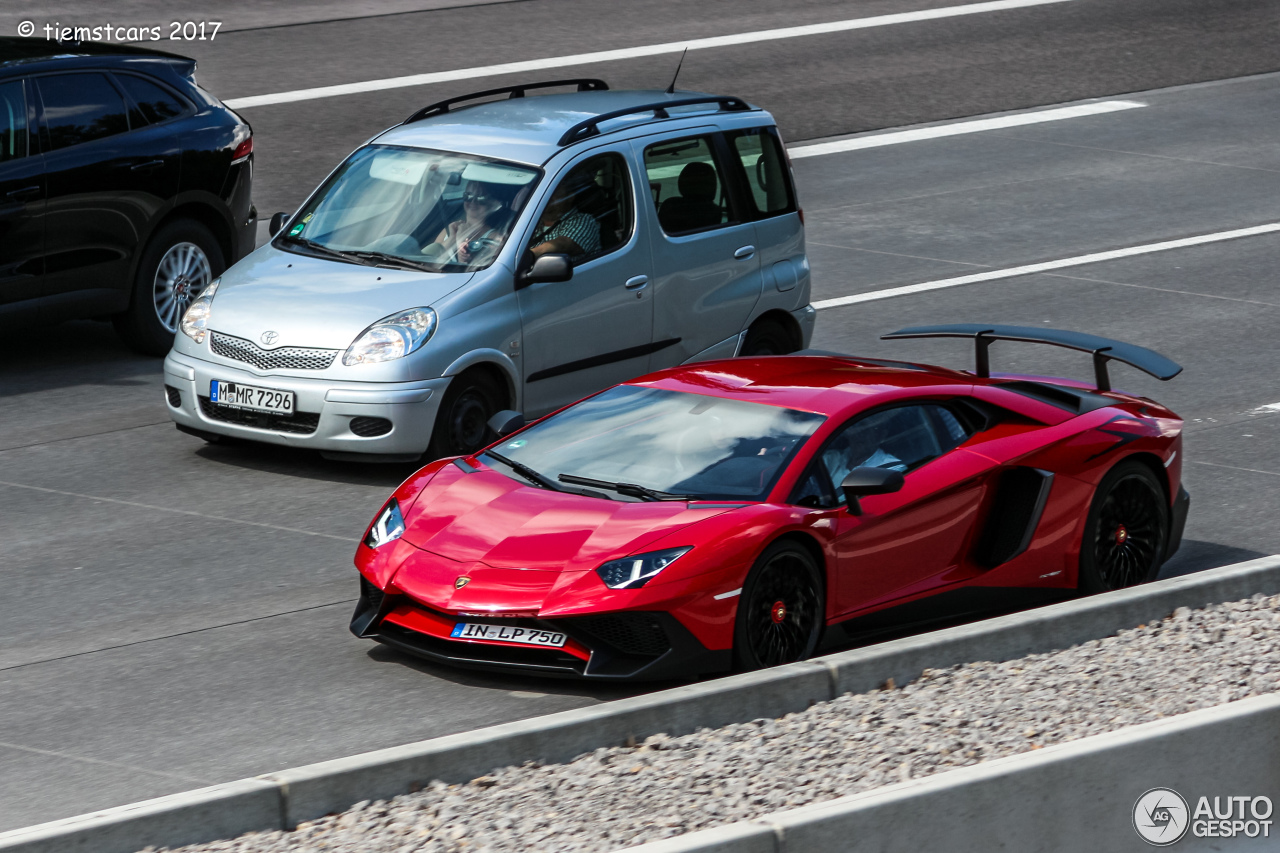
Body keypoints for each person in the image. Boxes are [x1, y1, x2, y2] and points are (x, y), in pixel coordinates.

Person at [428, 181, 510, 265]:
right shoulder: (450, 230)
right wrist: (452, 238)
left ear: (492, 203)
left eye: (481, 198)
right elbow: (430, 260)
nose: (473, 201)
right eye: (468, 196)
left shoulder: (494, 238)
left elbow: (468, 271)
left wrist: (462, 241)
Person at [529, 171, 602, 259]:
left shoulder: (584, 220)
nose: (547, 199)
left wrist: (529, 256)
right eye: (544, 194)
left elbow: (563, 244)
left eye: (554, 194)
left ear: (570, 197)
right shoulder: (531, 222)